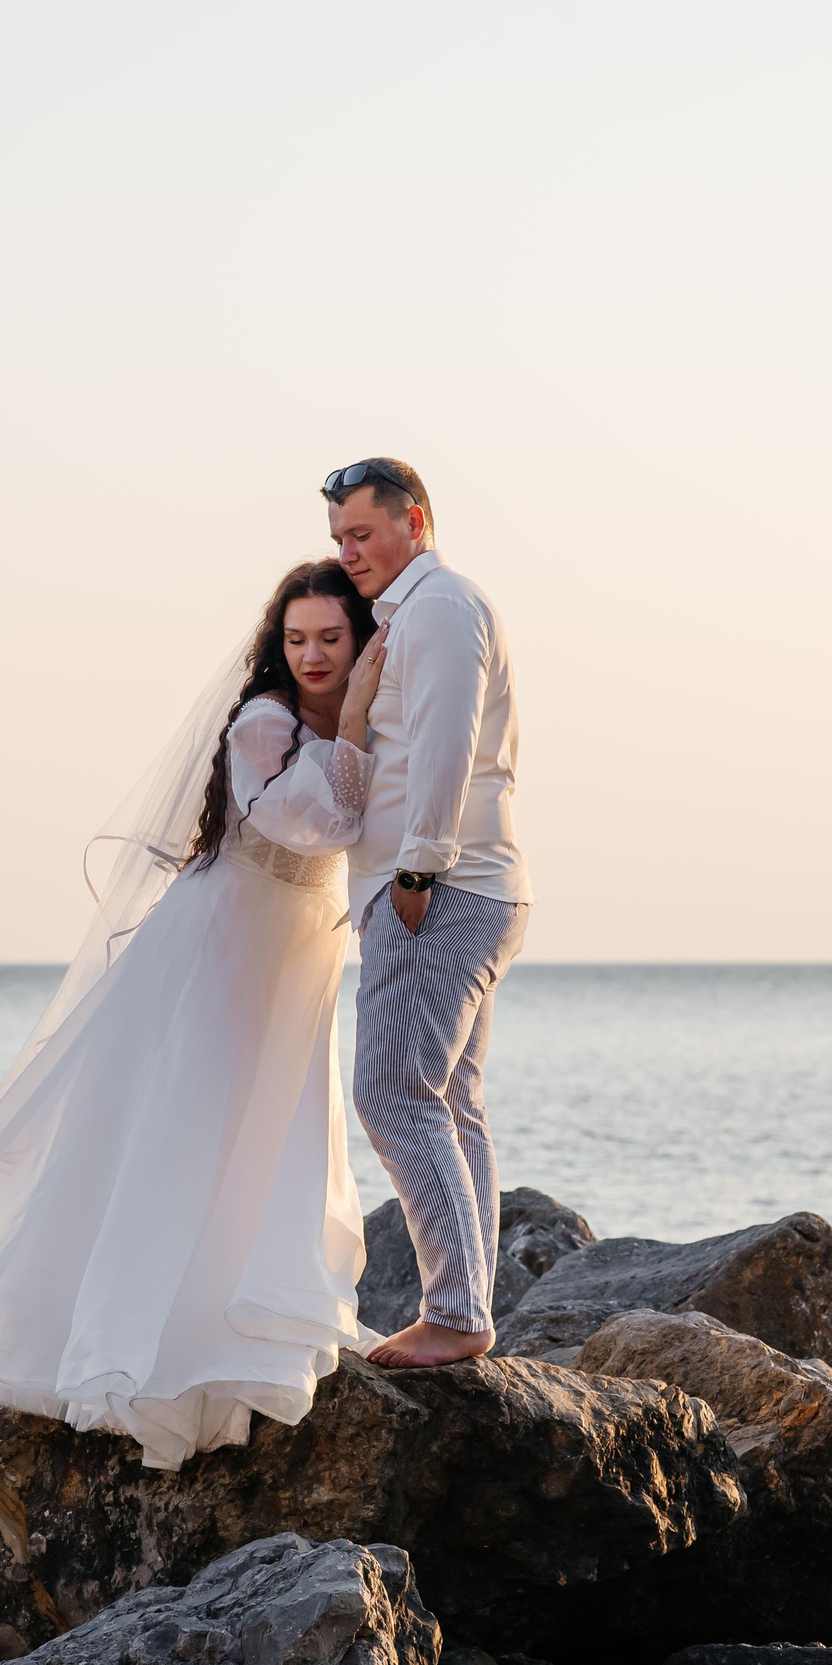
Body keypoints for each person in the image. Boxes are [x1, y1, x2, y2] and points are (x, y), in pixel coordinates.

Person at [0, 560, 390, 1468]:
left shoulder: (355, 719)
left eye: (331, 636)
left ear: (358, 638)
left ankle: (235, 1326)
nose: (313, 654)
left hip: (297, 955)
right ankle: (131, 1353)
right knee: (183, 1132)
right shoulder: (264, 721)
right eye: (297, 638)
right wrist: (359, 731)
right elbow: (307, 822)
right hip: (225, 943)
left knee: (268, 1136)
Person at [322, 457, 533, 1370]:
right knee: (451, 1100)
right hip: (466, 884)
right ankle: (467, 1307)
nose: (349, 553)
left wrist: (416, 870)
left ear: (416, 520)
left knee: (393, 1092)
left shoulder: (441, 607)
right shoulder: (412, 613)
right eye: (338, 540)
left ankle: (455, 1312)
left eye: (362, 534)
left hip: (441, 889)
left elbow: (446, 745)